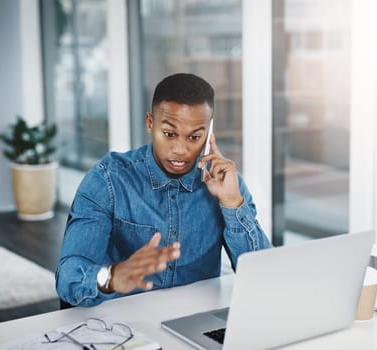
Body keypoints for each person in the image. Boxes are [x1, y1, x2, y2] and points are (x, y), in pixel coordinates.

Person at [56, 73, 272, 307]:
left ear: (209, 134)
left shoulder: (226, 182)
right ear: (150, 123)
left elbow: (264, 277)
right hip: (123, 325)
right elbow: (68, 276)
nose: (180, 149)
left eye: (195, 137)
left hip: (193, 322)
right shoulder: (108, 179)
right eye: (169, 134)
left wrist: (232, 204)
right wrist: (112, 276)